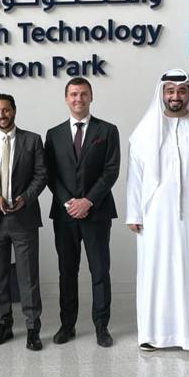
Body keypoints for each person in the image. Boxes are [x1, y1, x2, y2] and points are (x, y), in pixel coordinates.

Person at [126, 69, 189, 353]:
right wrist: (134, 213)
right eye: (170, 90)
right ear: (162, 93)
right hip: (153, 218)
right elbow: (135, 175)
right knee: (155, 273)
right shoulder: (145, 129)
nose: (175, 96)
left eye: (181, 91)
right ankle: (152, 335)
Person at [44, 77, 120, 347]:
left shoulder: (107, 131)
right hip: (64, 215)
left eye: (83, 94)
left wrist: (87, 201)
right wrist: (69, 202)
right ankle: (67, 325)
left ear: (91, 97)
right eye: (74, 94)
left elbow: (111, 171)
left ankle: (102, 326)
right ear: (66, 98)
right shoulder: (54, 134)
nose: (78, 99)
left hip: (97, 213)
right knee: (67, 271)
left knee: (100, 271)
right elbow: (50, 174)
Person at [0, 94, 48, 351]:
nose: (1, 115)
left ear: (14, 110)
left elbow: (41, 175)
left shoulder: (32, 140)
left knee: (28, 276)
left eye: (5, 110)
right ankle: (4, 323)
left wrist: (26, 198)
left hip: (24, 218)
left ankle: (32, 327)